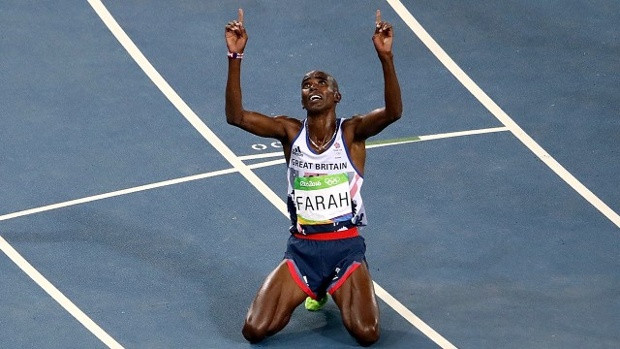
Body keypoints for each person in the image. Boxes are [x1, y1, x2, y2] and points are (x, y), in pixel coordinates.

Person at [224, 8, 402, 347]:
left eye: (322, 82)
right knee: (254, 330)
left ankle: (349, 279)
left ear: (337, 96)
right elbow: (236, 117)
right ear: (302, 99)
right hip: (303, 249)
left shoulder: (351, 133)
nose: (313, 87)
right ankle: (318, 286)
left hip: (345, 248)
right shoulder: (290, 132)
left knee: (367, 334)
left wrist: (386, 57)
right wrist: (235, 56)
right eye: (307, 85)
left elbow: (394, 113)